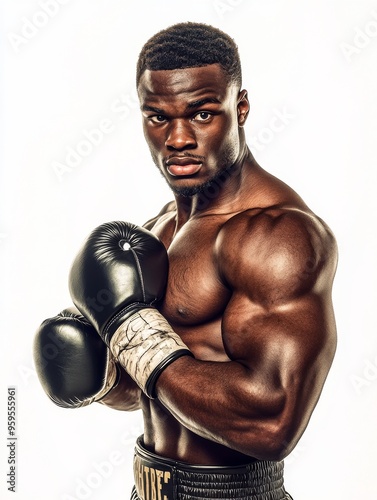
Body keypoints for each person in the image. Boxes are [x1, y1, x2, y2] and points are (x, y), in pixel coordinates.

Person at [34, 22, 338, 500]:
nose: (177, 138)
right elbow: (154, 392)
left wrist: (134, 331)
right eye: (157, 117)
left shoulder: (277, 235)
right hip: (147, 487)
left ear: (240, 109)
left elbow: (273, 423)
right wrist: (100, 376)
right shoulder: (158, 231)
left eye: (201, 114)